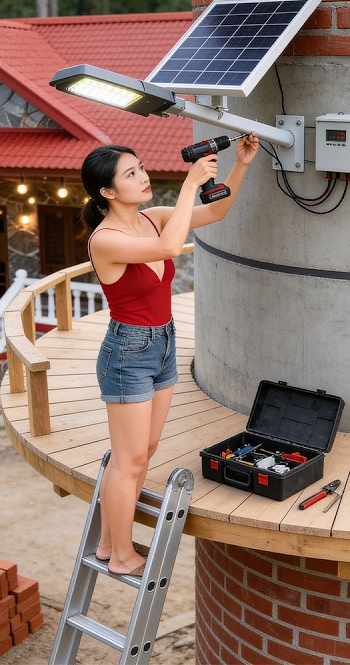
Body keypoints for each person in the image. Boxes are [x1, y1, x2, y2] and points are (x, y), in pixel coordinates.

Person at [81, 133, 259, 577]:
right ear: (107, 192)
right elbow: (167, 249)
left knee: (148, 449)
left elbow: (216, 210)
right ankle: (122, 556)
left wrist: (240, 165)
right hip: (128, 352)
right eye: (131, 174)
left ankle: (108, 542)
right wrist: (188, 183)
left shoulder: (154, 219)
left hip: (162, 343)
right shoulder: (106, 239)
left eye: (140, 167)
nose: (142, 177)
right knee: (131, 459)